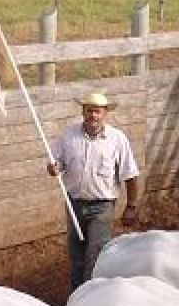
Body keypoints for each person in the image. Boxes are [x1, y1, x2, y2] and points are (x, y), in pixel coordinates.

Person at [47, 91, 141, 290]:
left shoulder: (117, 139)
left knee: (95, 255)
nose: (93, 116)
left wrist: (132, 206)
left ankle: (92, 296)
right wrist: (54, 167)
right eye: (89, 111)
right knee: (76, 254)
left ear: (105, 113)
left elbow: (130, 175)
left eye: (97, 111)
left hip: (102, 207)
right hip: (74, 204)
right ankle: (76, 295)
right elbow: (57, 163)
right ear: (83, 112)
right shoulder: (68, 136)